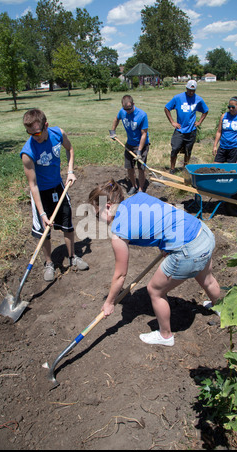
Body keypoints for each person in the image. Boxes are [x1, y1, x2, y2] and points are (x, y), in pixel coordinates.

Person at [88, 180, 220, 346]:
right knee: (207, 279)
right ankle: (221, 307)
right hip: (203, 233)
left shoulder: (119, 232)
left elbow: (120, 275)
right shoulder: (139, 197)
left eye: (96, 213)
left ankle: (165, 336)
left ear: (107, 206)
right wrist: (167, 244)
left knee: (155, 290)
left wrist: (109, 303)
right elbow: (167, 210)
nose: (96, 218)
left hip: (189, 251)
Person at [20, 108, 89, 282]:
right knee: (44, 231)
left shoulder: (58, 133)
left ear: (46, 126)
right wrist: (42, 213)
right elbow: (33, 185)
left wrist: (70, 171)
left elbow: (70, 149)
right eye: (30, 133)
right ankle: (49, 263)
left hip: (58, 187)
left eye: (37, 132)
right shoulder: (28, 152)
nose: (34, 136)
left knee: (67, 224)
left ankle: (73, 257)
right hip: (40, 194)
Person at [164, 80, 209, 173]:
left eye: (193, 91)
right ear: (186, 88)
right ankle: (172, 168)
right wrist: (172, 122)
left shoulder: (198, 99)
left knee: (188, 151)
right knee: (175, 148)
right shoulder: (178, 98)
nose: (191, 92)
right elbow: (167, 108)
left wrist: (199, 122)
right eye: (189, 90)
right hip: (180, 130)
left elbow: (205, 110)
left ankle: (185, 168)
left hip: (191, 130)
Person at [110, 95, 150, 196]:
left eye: (129, 108)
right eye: (125, 109)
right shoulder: (122, 112)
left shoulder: (142, 115)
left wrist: (140, 151)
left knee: (141, 168)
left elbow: (144, 134)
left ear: (133, 104)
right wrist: (112, 131)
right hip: (129, 144)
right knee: (129, 167)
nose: (127, 111)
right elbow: (116, 119)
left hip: (141, 145)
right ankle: (133, 186)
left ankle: (140, 189)